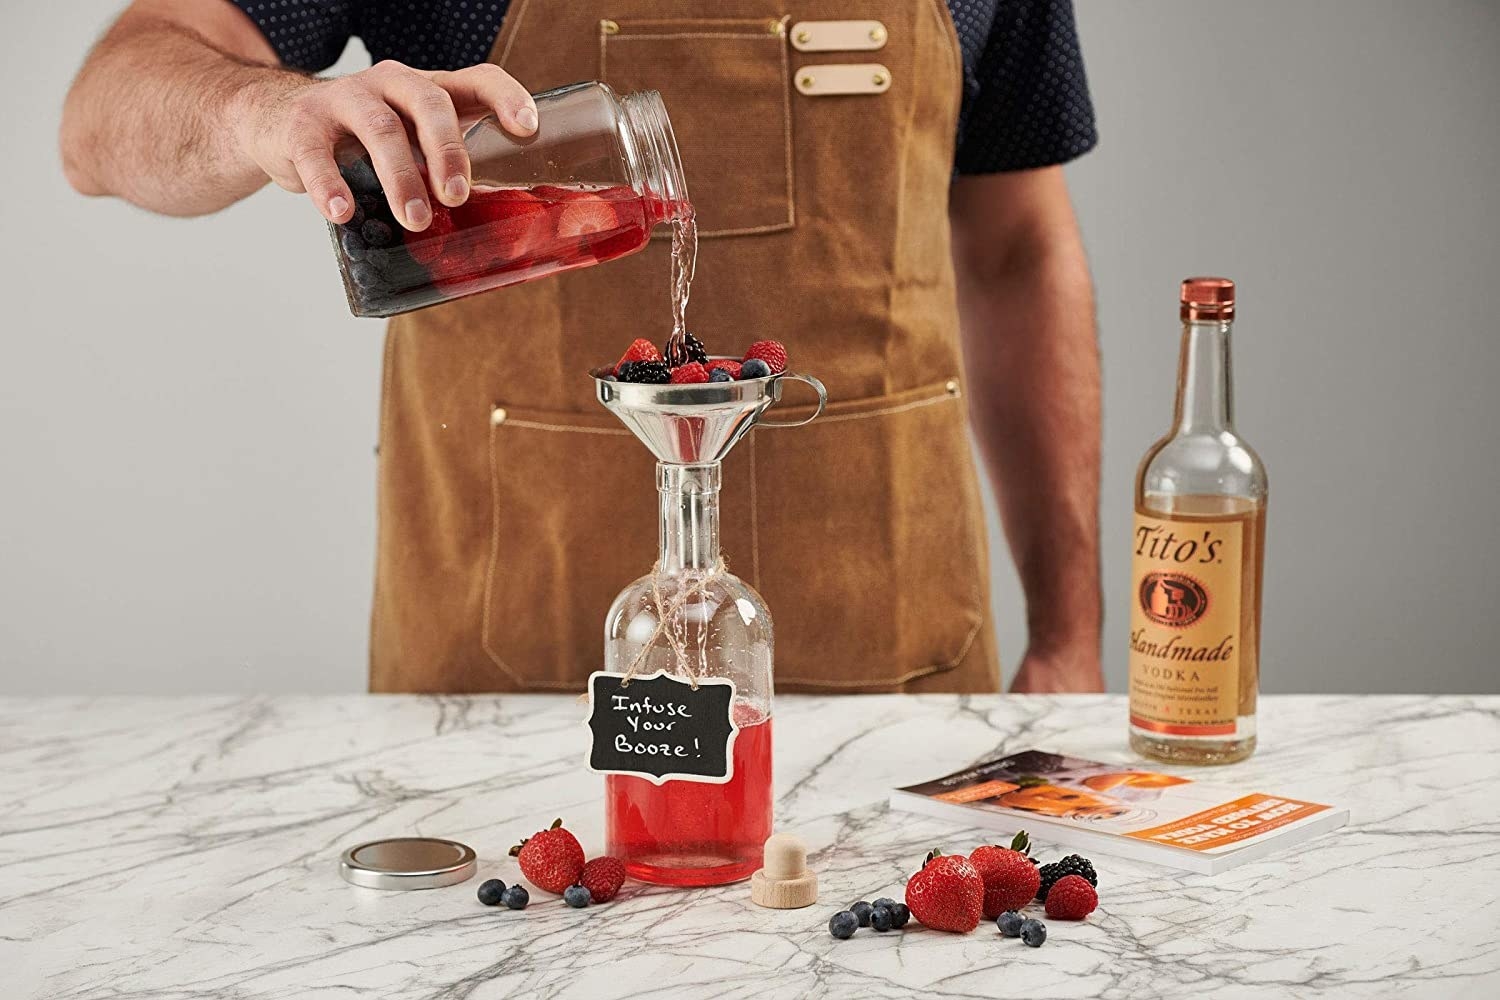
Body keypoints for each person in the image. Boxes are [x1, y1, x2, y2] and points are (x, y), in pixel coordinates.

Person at [61, 0, 1104, 695]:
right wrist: (261, 107)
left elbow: (1019, 249)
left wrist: (1068, 638)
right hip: (501, 694)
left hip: (897, 665)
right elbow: (102, 113)